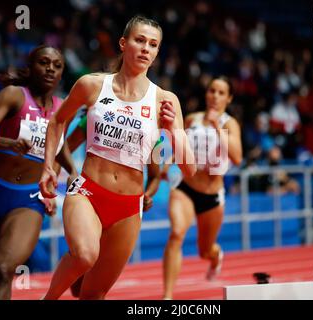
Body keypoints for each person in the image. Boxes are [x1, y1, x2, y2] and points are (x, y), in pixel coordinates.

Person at [39, 15, 196, 300]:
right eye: (139, 40)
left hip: (128, 207)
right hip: (88, 192)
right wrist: (48, 166)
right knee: (85, 256)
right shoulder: (92, 85)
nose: (146, 48)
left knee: (93, 295)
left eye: (153, 44)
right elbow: (57, 122)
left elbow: (190, 169)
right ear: (123, 43)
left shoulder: (166, 100)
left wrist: (174, 130)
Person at [0, 45, 77, 299]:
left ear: (61, 73)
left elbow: (59, 146)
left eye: (57, 65)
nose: (50, 68)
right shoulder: (13, 95)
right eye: (44, 62)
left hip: (28, 201)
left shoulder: (63, 109)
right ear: (31, 67)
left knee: (2, 271)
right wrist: (9, 143)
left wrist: (71, 171)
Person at [61, 112, 164, 298]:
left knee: (89, 291)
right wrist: (74, 174)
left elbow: (155, 176)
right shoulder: (98, 111)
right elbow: (65, 147)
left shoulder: (152, 129)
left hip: (124, 207)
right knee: (78, 281)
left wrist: (147, 195)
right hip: (91, 196)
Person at [161, 76, 243, 300]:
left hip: (212, 196)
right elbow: (180, 145)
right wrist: (166, 165)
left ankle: (216, 257)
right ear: (206, 94)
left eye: (221, 93)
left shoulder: (229, 123)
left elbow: (237, 157)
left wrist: (217, 126)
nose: (215, 96)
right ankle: (167, 297)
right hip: (186, 188)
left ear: (229, 98)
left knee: (205, 251)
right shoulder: (191, 119)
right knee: (176, 233)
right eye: (212, 91)